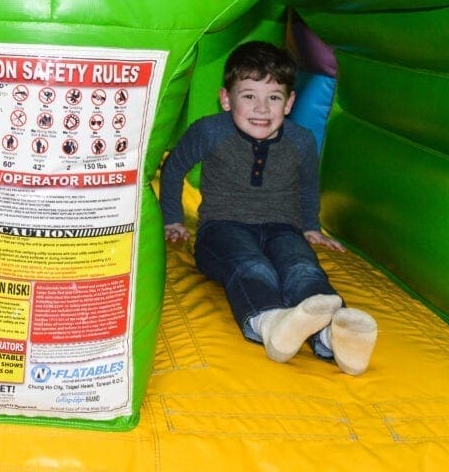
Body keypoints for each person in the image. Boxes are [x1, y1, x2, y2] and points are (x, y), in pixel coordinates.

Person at [159, 40, 377, 375]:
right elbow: (173, 169)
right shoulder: (209, 131)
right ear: (225, 99)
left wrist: (309, 227)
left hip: (281, 227)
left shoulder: (301, 141)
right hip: (222, 229)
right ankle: (270, 323)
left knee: (302, 267)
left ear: (289, 103)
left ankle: (333, 336)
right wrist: (173, 219)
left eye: (273, 97)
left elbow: (307, 187)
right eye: (248, 96)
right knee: (252, 266)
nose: (262, 108)